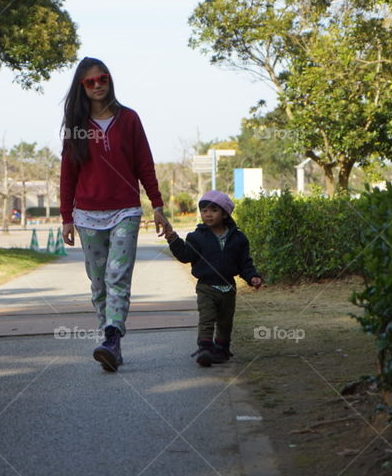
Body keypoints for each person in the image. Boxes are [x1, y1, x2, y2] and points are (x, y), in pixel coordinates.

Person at [60, 57, 170, 372]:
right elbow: (68, 174)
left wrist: (157, 205)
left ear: (110, 81)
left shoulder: (129, 120)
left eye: (102, 79)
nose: (97, 86)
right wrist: (66, 216)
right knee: (98, 284)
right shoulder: (76, 127)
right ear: (81, 87)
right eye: (90, 82)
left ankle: (112, 338)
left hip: (126, 211)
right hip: (87, 216)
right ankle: (110, 339)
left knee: (117, 276)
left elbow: (144, 165)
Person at [163, 190, 262, 366]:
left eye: (213, 210)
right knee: (207, 319)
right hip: (206, 287)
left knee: (225, 322)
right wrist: (173, 239)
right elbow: (186, 256)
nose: (208, 214)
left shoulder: (238, 239)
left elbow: (245, 263)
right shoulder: (197, 237)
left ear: (225, 213)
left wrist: (252, 277)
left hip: (228, 288)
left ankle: (222, 350)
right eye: (204, 210)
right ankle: (205, 350)